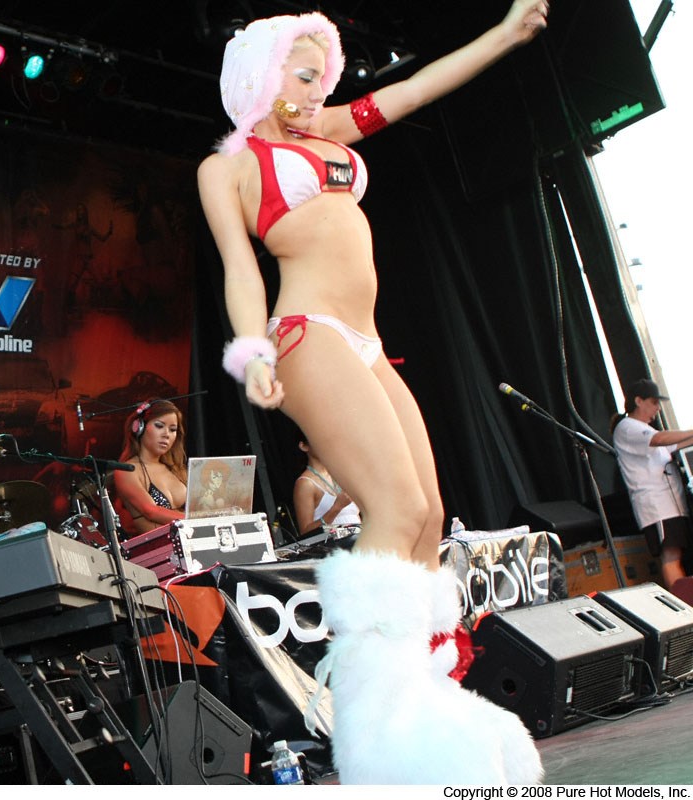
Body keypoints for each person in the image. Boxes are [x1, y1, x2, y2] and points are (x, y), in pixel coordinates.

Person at [197, 3, 547, 784]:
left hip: (366, 337)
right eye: (304, 73)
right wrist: (252, 352)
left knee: (426, 516)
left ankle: (423, 702)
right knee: (392, 508)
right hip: (306, 329)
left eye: (324, 74)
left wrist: (504, 33)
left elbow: (415, 90)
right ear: (263, 77)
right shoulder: (232, 166)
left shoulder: (330, 134)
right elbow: (241, 270)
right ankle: (369, 723)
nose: (320, 88)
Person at [611, 379, 693, 598]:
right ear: (639, 401)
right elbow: (660, 439)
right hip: (657, 506)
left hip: (671, 504)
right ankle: (684, 603)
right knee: (671, 556)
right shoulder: (628, 427)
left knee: (677, 553)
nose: (658, 408)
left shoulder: (645, 429)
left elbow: (674, 444)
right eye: (654, 402)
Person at [112, 399, 187, 535]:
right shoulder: (126, 470)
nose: (166, 434)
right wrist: (195, 519)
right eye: (159, 426)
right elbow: (151, 511)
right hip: (161, 547)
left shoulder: (176, 469)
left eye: (173, 430)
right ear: (139, 427)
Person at [293, 436, 361, 539]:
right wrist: (336, 508)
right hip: (334, 546)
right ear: (304, 446)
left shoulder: (341, 474)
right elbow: (306, 533)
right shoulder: (306, 483)